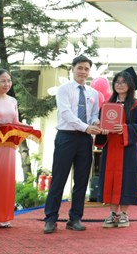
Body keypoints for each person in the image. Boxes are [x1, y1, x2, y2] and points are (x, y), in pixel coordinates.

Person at [43, 55, 102, 234]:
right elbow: (66, 113)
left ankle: (75, 218)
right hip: (66, 137)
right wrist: (86, 127)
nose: (83, 72)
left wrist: (96, 122)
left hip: (85, 140)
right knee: (59, 178)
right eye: (80, 68)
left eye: (86, 69)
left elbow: (94, 114)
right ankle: (50, 219)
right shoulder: (64, 89)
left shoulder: (93, 93)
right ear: (73, 69)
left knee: (82, 180)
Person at [96, 67, 137, 228]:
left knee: (126, 178)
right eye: (117, 82)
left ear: (130, 85)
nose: (119, 85)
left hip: (128, 148)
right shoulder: (107, 105)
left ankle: (124, 213)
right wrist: (102, 130)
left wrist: (125, 128)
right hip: (111, 146)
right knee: (110, 178)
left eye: (123, 82)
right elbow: (101, 123)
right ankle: (112, 213)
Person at [0, 69, 22, 229]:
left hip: (8, 146)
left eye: (9, 80)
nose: (6, 84)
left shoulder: (13, 101)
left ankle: (0, 217)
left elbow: (16, 122)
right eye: (2, 81)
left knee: (4, 180)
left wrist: (29, 129)